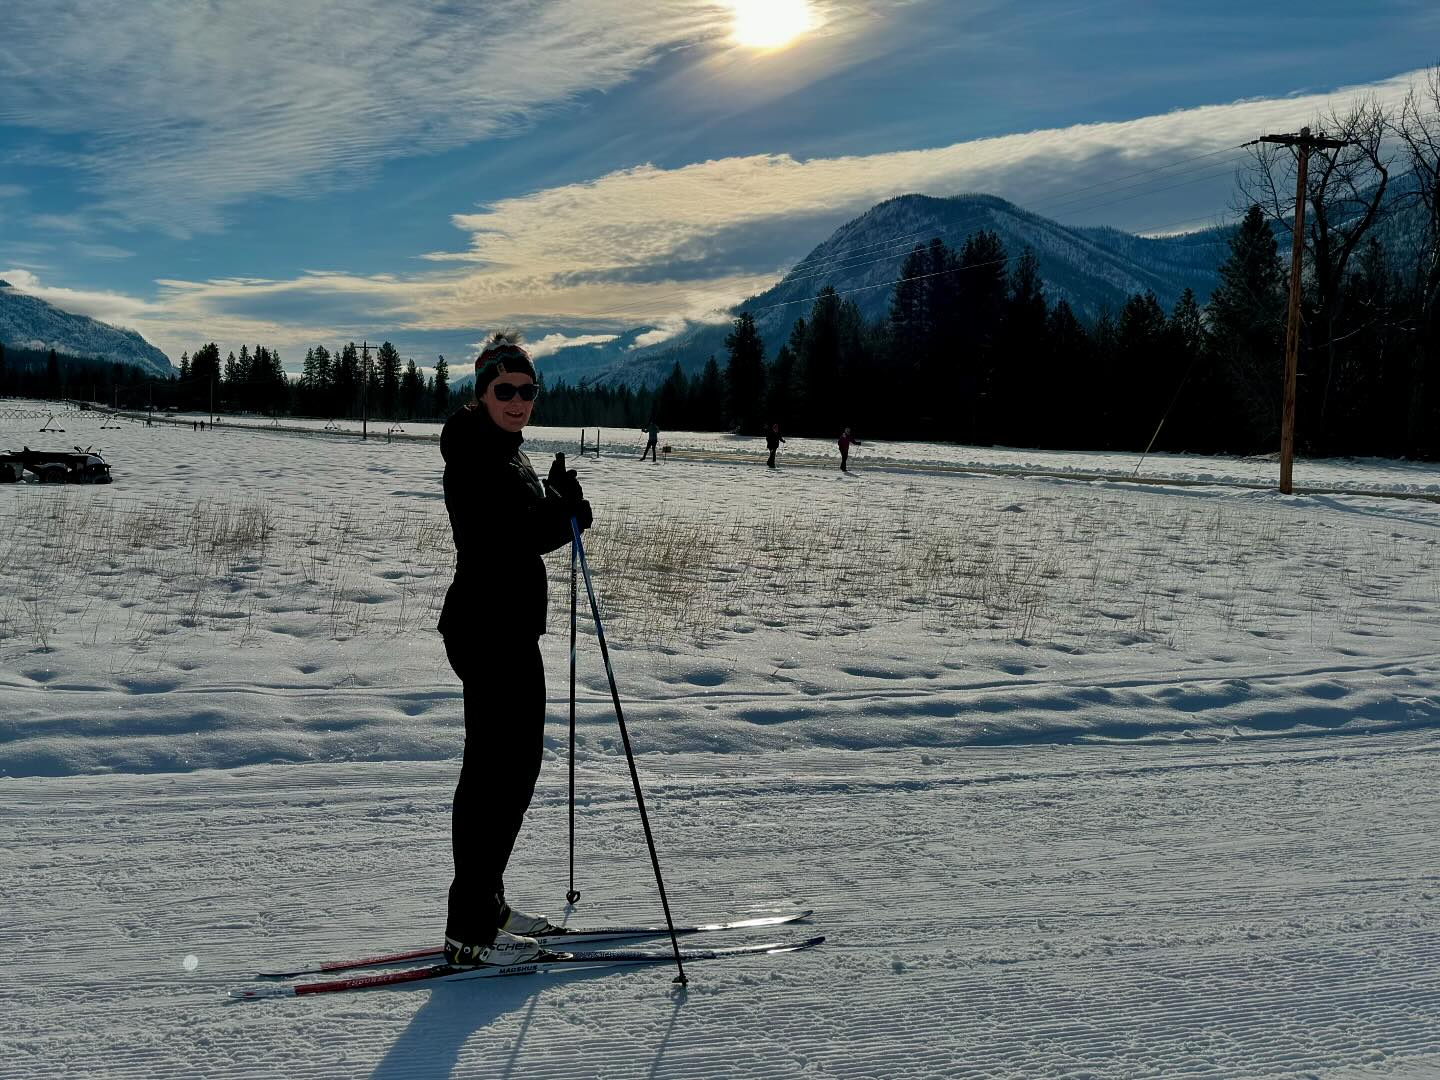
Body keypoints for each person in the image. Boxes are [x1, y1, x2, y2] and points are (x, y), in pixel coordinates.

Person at [436, 331, 594, 968]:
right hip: (489, 631)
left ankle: (488, 906)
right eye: (506, 390)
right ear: (482, 391)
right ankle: (471, 932)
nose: (519, 401)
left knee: (508, 773)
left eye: (528, 390)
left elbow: (525, 518)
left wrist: (555, 500)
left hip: (503, 628)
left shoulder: (504, 448)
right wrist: (567, 515)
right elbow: (509, 535)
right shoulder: (477, 452)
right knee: (496, 780)